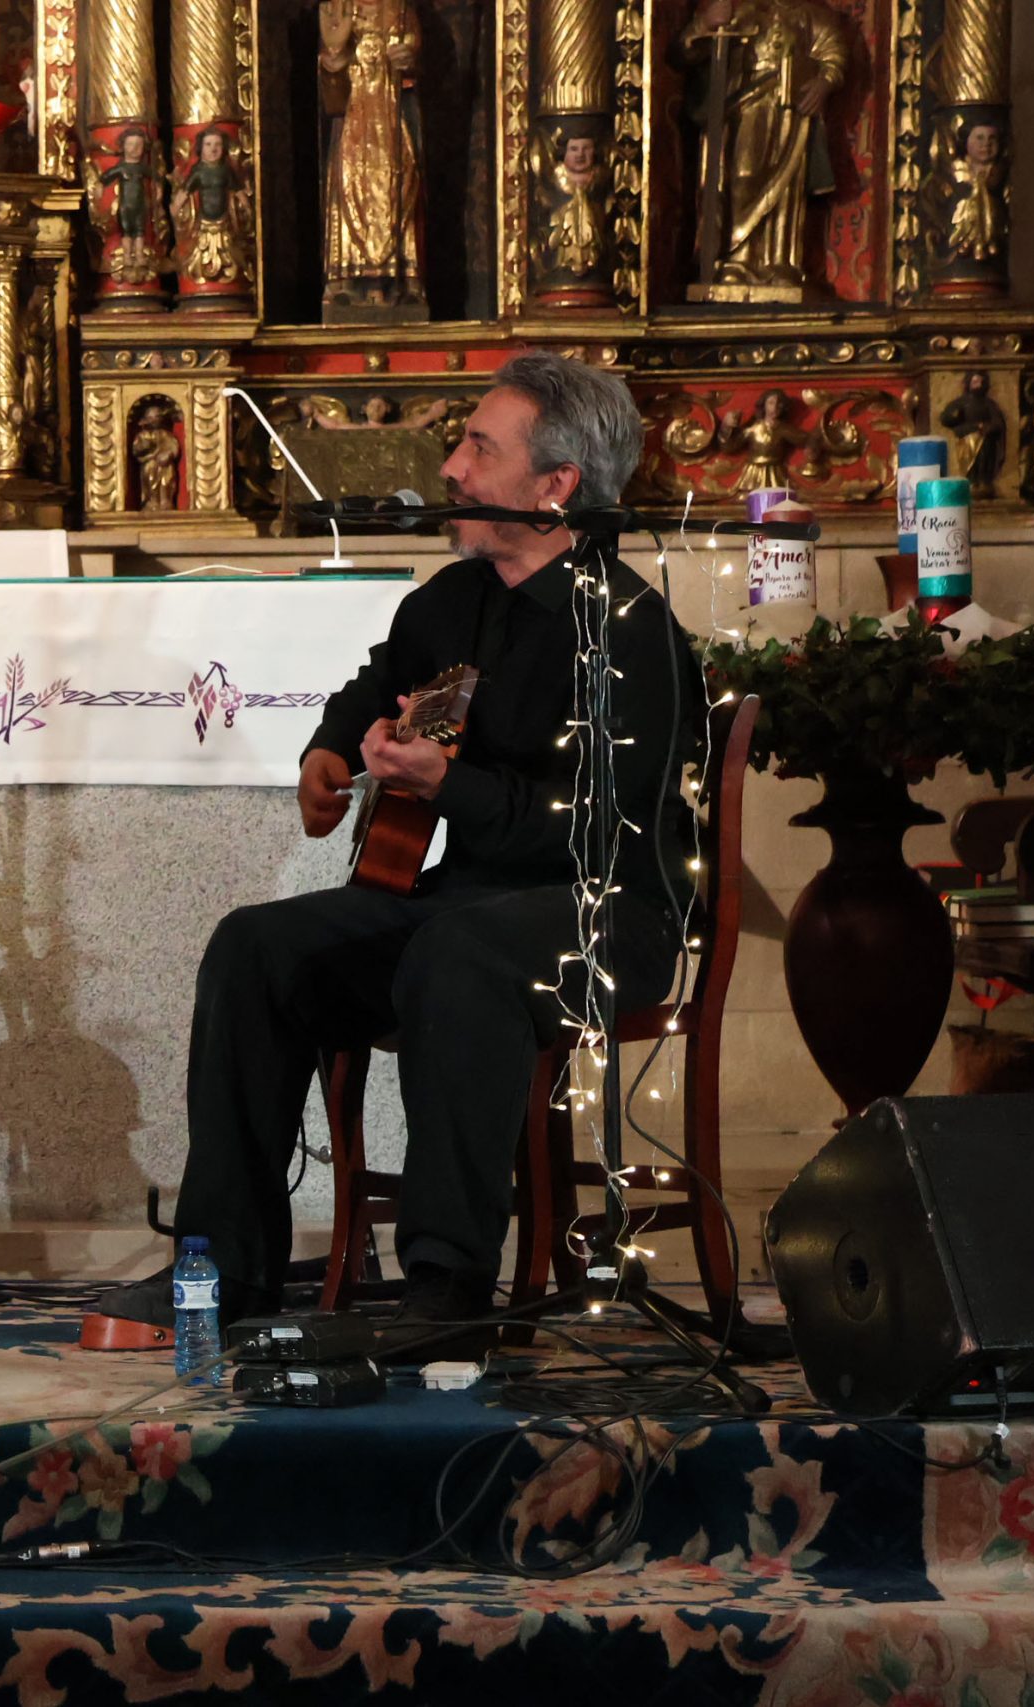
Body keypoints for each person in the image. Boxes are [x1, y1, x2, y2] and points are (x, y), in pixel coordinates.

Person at [89, 352, 695, 1346]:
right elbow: (373, 690)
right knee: (257, 947)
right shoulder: (450, 605)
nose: (450, 467)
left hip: (603, 915)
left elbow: (596, 830)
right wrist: (328, 755)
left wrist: (448, 786)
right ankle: (226, 1267)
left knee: (459, 955)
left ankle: (445, 1287)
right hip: (462, 907)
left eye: (477, 449)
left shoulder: (626, 630)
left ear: (554, 489)